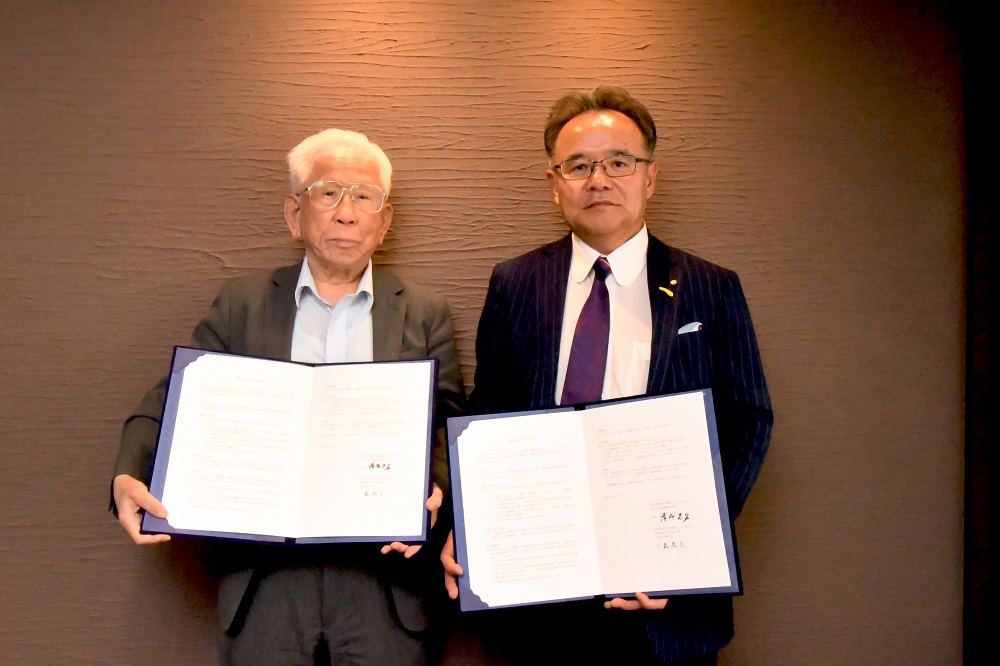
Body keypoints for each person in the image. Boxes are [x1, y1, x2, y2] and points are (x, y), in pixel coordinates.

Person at [440, 87, 773, 664]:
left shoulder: (711, 287)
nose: (598, 180)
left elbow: (747, 420)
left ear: (650, 177)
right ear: (554, 182)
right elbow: (489, 417)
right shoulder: (516, 283)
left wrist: (692, 548)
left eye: (619, 162)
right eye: (578, 166)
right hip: (540, 591)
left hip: (667, 603)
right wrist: (468, 525)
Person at [111, 128, 464, 665]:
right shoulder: (243, 303)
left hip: (385, 580)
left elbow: (447, 419)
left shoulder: (424, 310)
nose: (346, 213)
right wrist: (127, 473)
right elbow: (179, 399)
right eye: (328, 193)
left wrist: (434, 486)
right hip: (266, 579)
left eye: (364, 197)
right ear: (294, 214)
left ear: (385, 220)